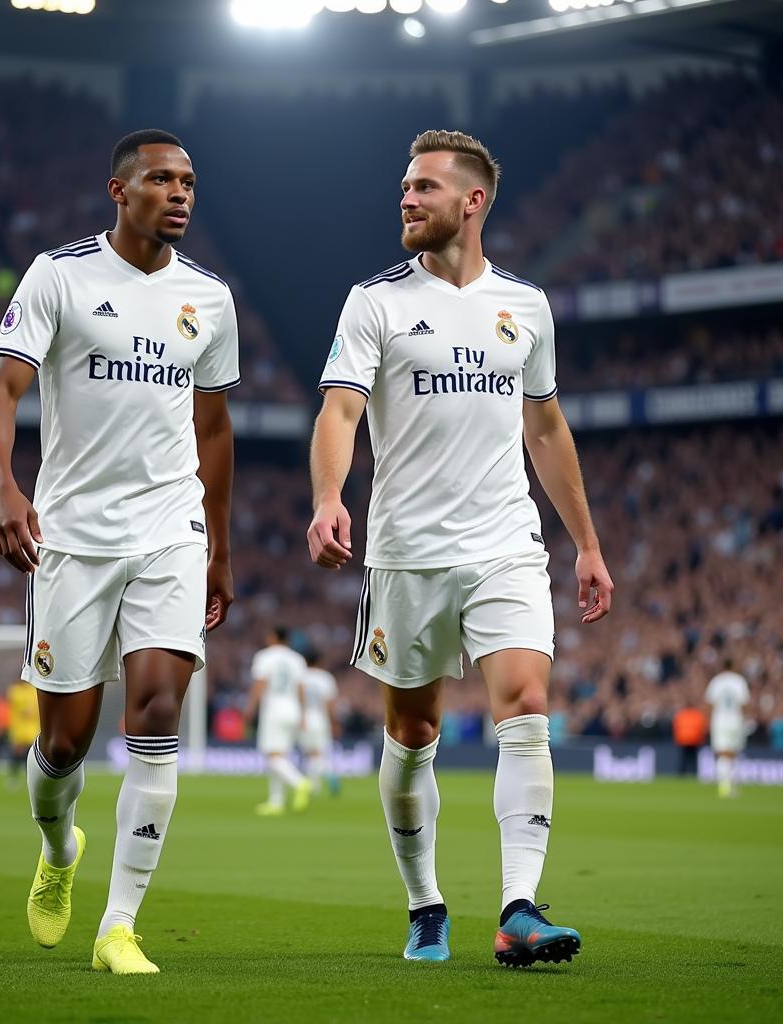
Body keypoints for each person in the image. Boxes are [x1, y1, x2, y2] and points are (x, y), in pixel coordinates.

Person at [307, 130, 614, 967]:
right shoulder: (373, 301)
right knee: (412, 733)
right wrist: (330, 497)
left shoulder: (527, 306)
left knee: (525, 707)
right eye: (404, 188)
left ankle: (519, 908)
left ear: (472, 202)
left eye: (425, 188)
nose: (406, 199)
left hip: (506, 544)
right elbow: (340, 410)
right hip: (406, 552)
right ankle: (425, 904)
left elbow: (545, 428)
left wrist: (585, 542)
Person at [0, 128, 237, 976]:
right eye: (163, 179)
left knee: (158, 712)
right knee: (64, 745)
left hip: (169, 529)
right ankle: (58, 851)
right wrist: (4, 488)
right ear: (119, 192)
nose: (181, 193)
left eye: (190, 181)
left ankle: (119, 927)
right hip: (74, 536)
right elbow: (2, 391)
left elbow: (212, 426)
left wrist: (220, 549)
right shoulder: (60, 276)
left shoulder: (211, 298)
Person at [245, 626, 312, 816]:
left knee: (272, 756)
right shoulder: (297, 659)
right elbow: (301, 688)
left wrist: (250, 708)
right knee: (280, 755)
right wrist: (303, 714)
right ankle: (276, 801)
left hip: (274, 710)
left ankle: (299, 782)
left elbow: (260, 684)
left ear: (272, 637)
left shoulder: (264, 656)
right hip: (293, 710)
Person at [704, 658, 750, 798]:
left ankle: (724, 785)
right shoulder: (739, 681)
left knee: (723, 753)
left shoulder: (716, 681)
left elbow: (710, 703)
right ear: (733, 665)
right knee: (731, 753)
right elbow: (744, 703)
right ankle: (727, 786)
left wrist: (708, 720)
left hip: (719, 720)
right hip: (735, 720)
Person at [298, 649, 340, 794]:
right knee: (319, 753)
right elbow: (330, 704)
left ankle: (326, 776)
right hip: (321, 719)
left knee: (311, 754)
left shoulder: (301, 677)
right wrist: (334, 722)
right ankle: (316, 785)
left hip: (306, 718)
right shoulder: (326, 678)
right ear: (319, 661)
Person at [7, 678, 41, 787]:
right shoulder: (15, 691)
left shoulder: (34, 690)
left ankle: (29, 777)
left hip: (32, 727)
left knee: (31, 753)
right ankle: (13, 776)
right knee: (17, 752)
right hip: (18, 727)